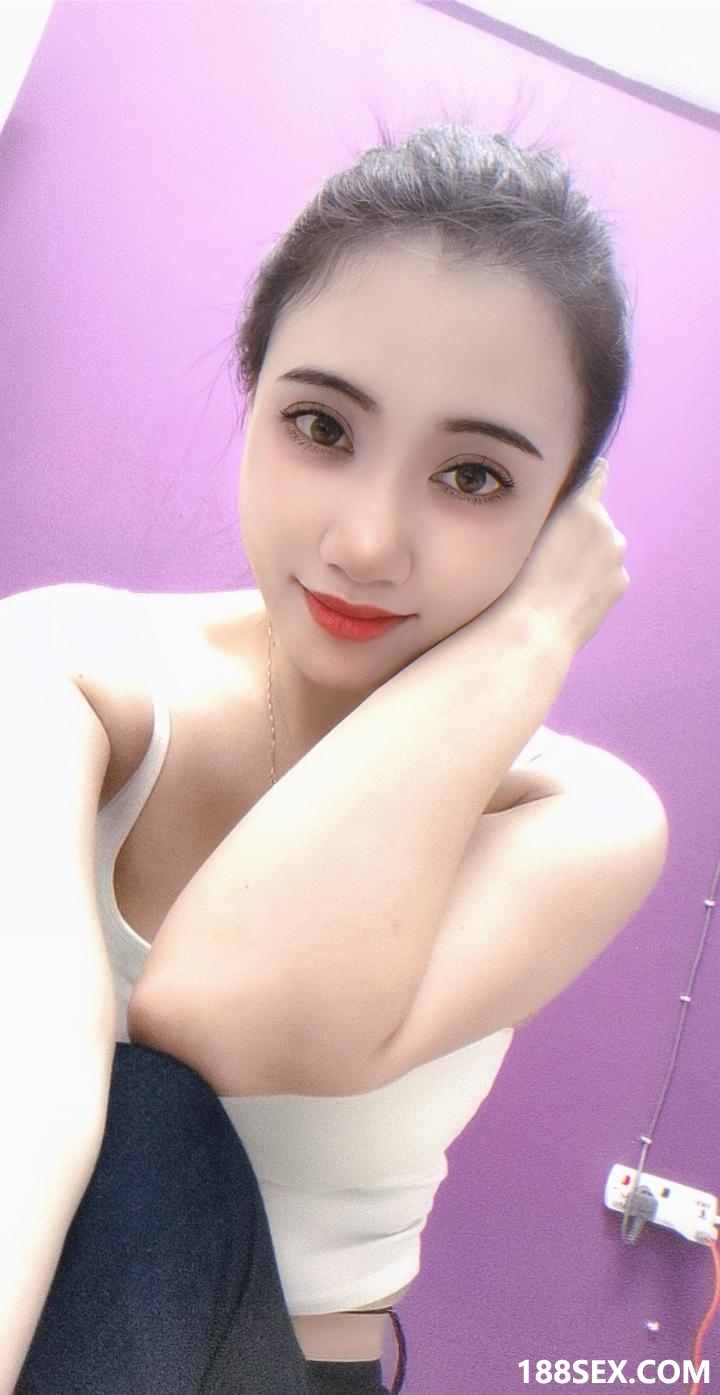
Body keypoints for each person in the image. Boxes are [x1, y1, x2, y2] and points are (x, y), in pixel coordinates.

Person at [4, 123, 669, 1395]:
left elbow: (219, 1007)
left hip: (286, 1367)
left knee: (148, 1127)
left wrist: (530, 636)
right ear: (251, 399)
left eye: (474, 477)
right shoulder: (65, 667)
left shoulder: (578, 812)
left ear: (563, 517)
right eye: (320, 426)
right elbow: (20, 1086)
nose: (367, 543)